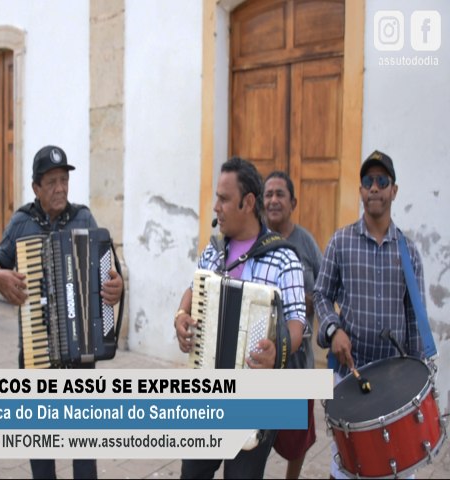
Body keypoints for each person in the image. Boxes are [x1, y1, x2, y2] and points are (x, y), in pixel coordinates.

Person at [0, 145, 123, 480]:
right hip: (37, 354)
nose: (60, 188)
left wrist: (116, 287)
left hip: (80, 356)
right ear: (36, 188)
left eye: (64, 180)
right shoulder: (21, 222)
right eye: (52, 182)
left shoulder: (83, 218)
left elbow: (110, 271)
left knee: (83, 452)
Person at [174, 157, 306, 479]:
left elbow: (297, 323)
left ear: (248, 203)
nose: (216, 206)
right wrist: (180, 315)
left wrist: (278, 350)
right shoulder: (214, 249)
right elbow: (193, 289)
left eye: (224, 198)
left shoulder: (284, 258)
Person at [314, 150, 425, 479]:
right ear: (360, 190)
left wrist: (418, 380)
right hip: (350, 374)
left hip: (394, 379)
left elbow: (415, 317)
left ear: (394, 190)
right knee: (348, 466)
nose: (374, 188)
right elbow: (321, 294)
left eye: (381, 181)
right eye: (367, 181)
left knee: (397, 464)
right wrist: (334, 330)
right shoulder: (341, 242)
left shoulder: (408, 251)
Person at [264, 171, 322, 479]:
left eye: (280, 194)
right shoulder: (255, 243)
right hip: (259, 361)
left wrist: (305, 301)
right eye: (268, 194)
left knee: (297, 438)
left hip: (298, 363)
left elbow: (326, 290)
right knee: (252, 437)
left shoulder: (306, 243)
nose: (273, 200)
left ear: (293, 202)